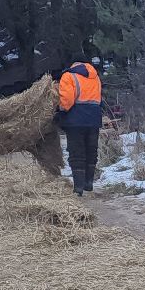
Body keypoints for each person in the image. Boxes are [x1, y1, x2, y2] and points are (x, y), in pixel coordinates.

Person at [57, 60, 103, 196]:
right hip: (94, 118)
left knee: (77, 152)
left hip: (75, 119)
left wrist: (61, 111)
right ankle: (89, 182)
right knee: (91, 150)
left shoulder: (68, 76)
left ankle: (78, 187)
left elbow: (67, 100)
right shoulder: (95, 76)